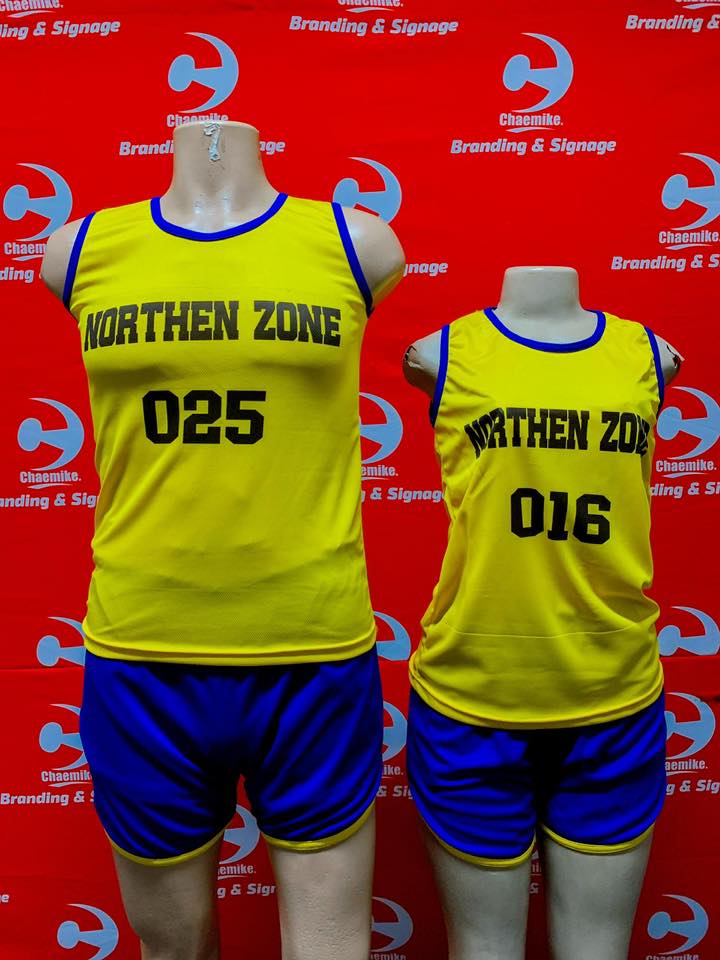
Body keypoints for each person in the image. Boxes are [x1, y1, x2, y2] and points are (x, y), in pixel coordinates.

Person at [41, 119, 405, 960]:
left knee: (329, 947)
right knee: (174, 948)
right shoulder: (81, 249)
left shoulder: (353, 243)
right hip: (143, 654)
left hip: (313, 649)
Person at [402, 265, 683, 960]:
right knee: (483, 947)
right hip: (473, 694)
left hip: (612, 693)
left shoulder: (646, 354)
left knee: (597, 949)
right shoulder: (445, 353)